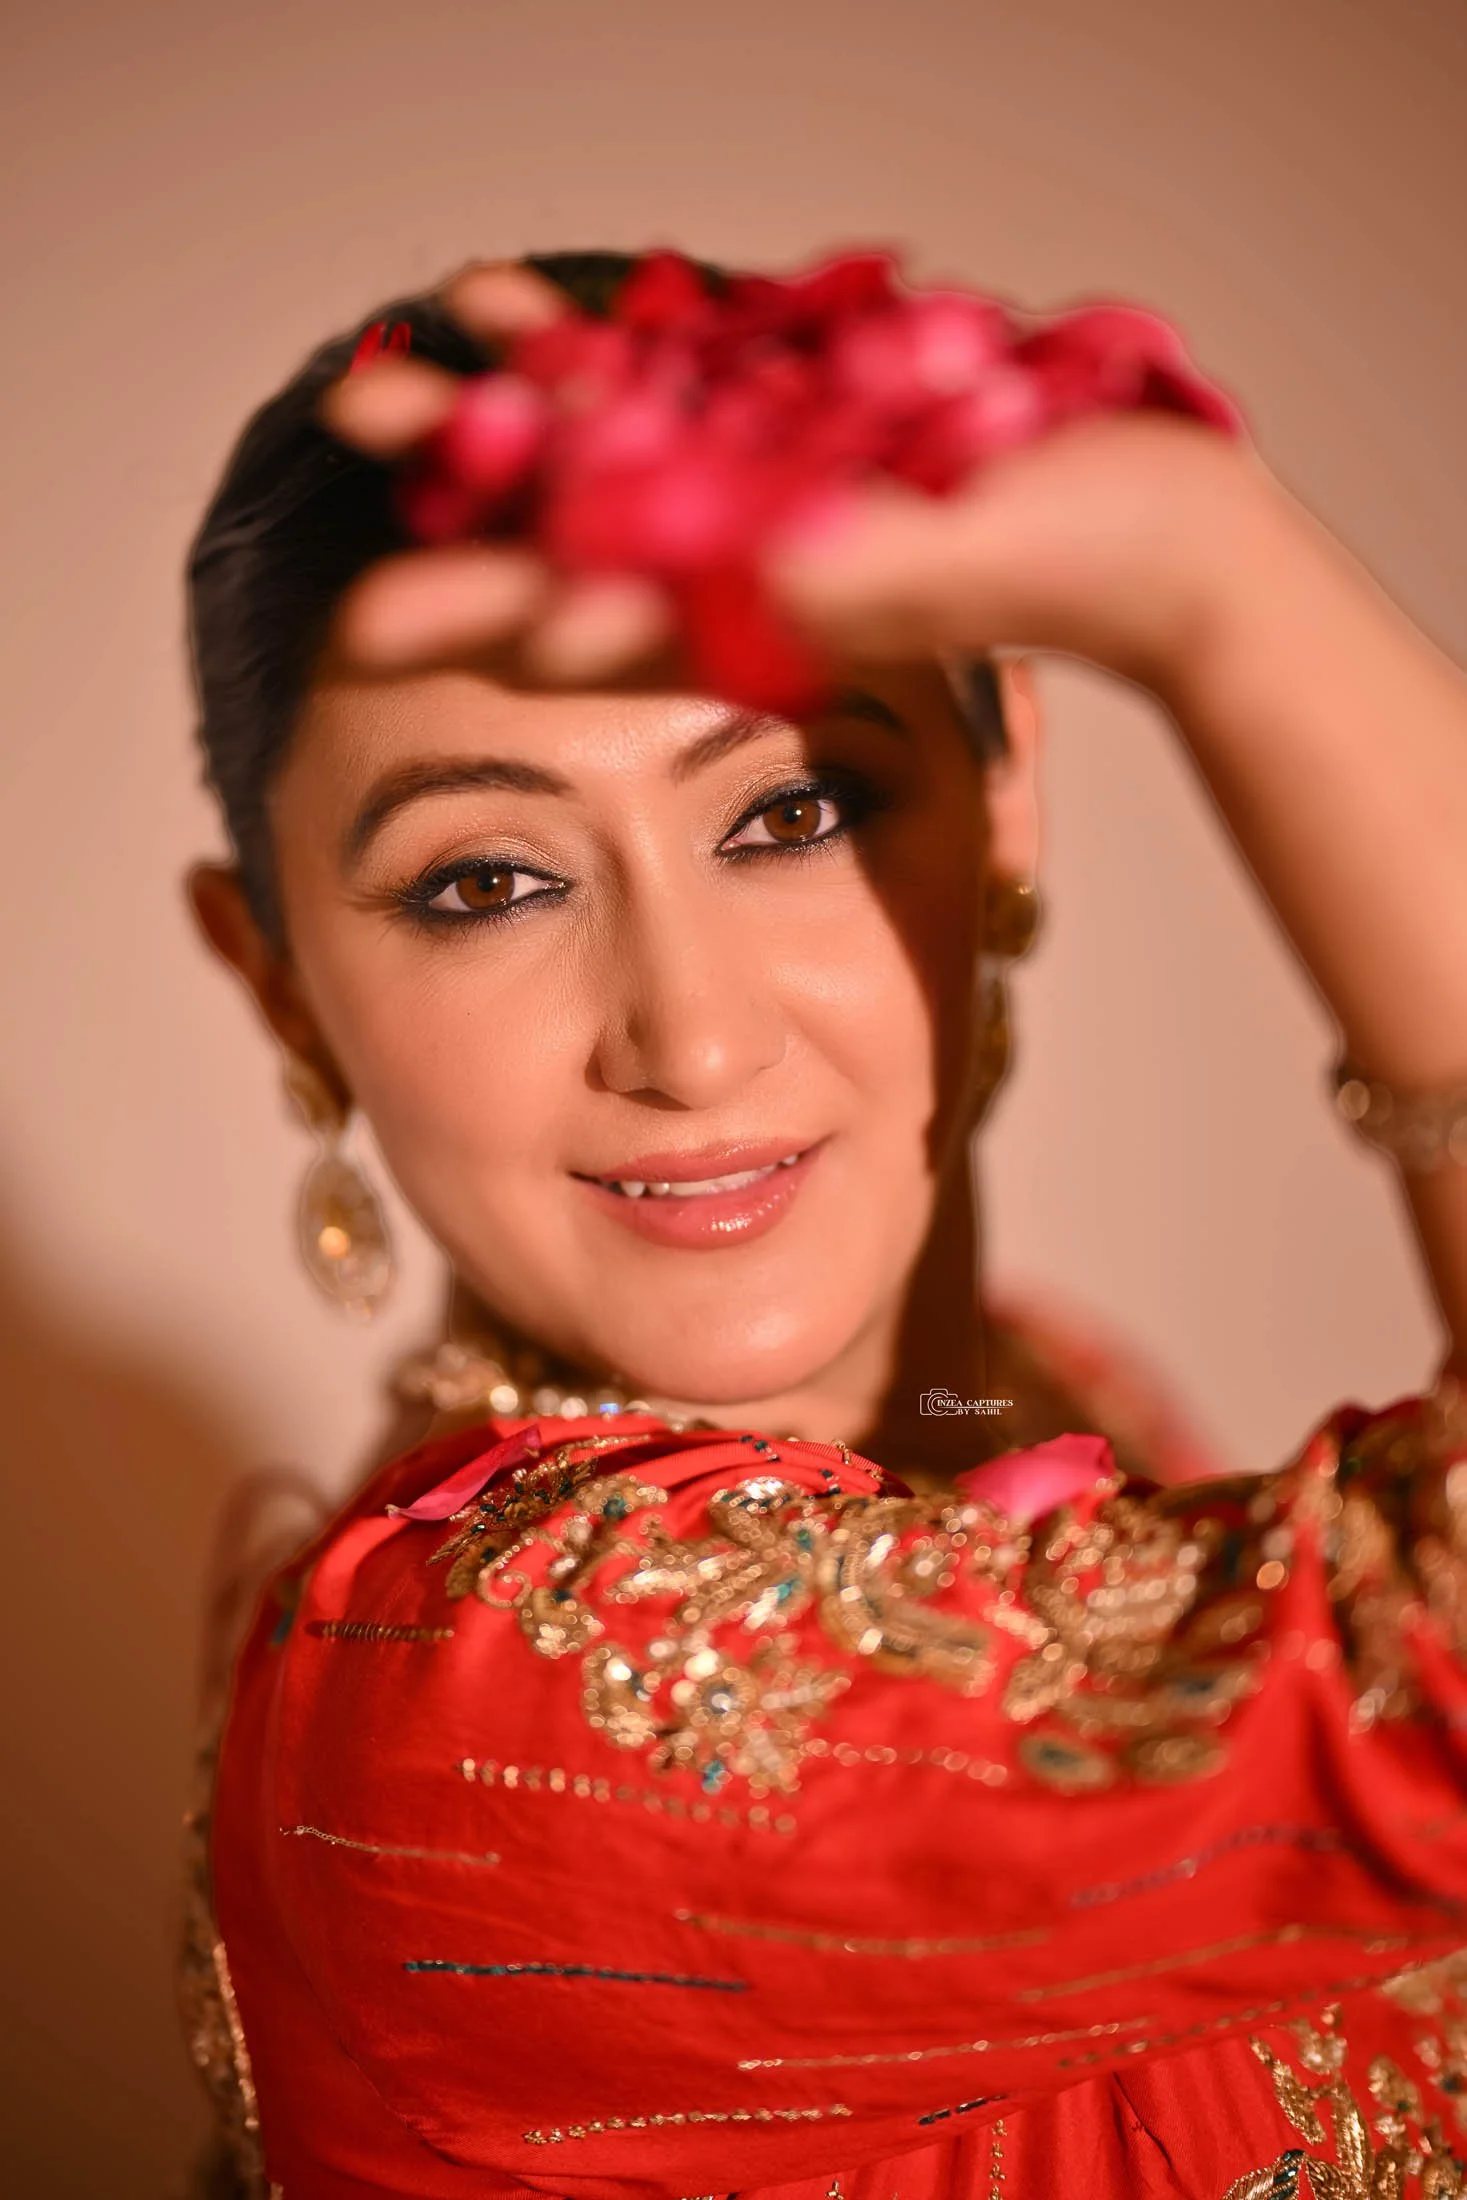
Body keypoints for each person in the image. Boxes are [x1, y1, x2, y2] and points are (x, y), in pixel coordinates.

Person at [180, 251, 1467, 2200]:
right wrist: (1221, 580)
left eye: (792, 808)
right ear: (276, 980)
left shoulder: (1043, 1388)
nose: (690, 1038)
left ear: (1005, 774)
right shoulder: (487, 1722)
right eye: (489, 879)